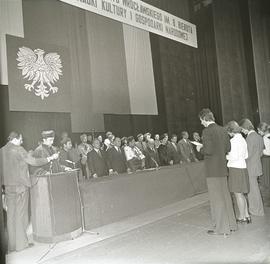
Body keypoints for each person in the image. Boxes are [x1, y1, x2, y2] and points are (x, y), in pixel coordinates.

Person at [0, 132, 58, 252]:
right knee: (21, 216)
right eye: (21, 139)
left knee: (11, 216)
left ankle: (12, 245)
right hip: (20, 187)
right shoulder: (19, 149)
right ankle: (21, 245)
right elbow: (33, 162)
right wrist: (50, 158)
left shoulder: (1, 151)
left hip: (8, 188)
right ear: (15, 139)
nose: (22, 142)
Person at [199, 108, 236, 236]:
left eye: (201, 121)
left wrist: (200, 148)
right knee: (225, 196)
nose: (201, 123)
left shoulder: (206, 131)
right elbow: (228, 148)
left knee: (217, 199)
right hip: (222, 168)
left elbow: (208, 150)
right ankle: (231, 225)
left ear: (204, 119)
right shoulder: (222, 129)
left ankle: (221, 229)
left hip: (212, 170)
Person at [225, 121, 251, 223]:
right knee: (242, 194)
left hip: (235, 169)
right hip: (243, 168)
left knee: (237, 194)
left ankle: (242, 217)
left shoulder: (233, 142)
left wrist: (225, 156)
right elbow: (246, 156)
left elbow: (233, 157)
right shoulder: (243, 140)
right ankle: (247, 215)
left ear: (231, 131)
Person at [239, 118, 264, 216]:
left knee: (253, 190)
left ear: (246, 127)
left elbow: (247, 155)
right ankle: (257, 209)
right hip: (256, 165)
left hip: (250, 167)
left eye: (242, 129)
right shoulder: (258, 136)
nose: (242, 131)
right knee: (255, 188)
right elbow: (261, 153)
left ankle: (256, 210)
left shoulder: (250, 138)